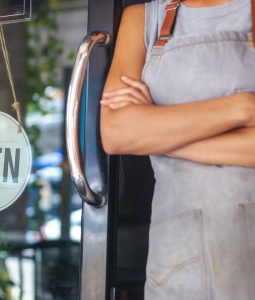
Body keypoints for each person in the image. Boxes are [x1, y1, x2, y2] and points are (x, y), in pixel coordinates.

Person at [100, 0, 255, 299]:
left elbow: (133, 135)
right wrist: (243, 107)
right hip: (176, 262)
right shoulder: (142, 19)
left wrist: (157, 135)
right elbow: (117, 133)